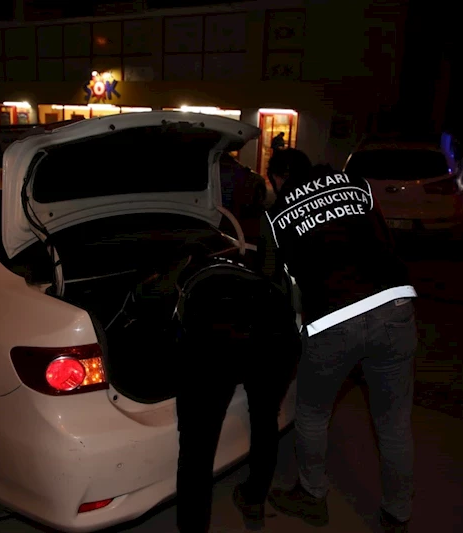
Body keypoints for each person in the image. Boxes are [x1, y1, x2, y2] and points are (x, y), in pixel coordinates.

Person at [258, 149, 418, 532]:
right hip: (396, 303)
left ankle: (312, 496)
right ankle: (398, 515)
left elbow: (270, 281)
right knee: (394, 422)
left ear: (278, 178)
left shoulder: (276, 214)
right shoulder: (357, 185)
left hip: (334, 319)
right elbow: (385, 240)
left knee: (312, 412)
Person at [174, 190, 300, 531]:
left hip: (221, 342)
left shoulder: (184, 282)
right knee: (264, 418)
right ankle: (254, 499)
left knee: (197, 451)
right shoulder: (242, 261)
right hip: (277, 333)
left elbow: (174, 333)